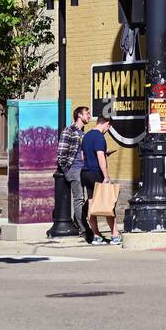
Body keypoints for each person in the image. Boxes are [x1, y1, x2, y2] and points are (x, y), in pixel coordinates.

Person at [81, 113, 120, 245]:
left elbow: (83, 156)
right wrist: (106, 176)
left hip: (85, 173)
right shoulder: (99, 138)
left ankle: (96, 236)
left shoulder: (86, 136)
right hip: (96, 173)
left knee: (91, 205)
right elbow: (100, 157)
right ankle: (115, 235)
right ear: (106, 123)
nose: (108, 130)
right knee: (109, 204)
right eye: (109, 127)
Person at [56, 105, 91, 237]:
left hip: (84, 169)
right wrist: (67, 169)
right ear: (79, 116)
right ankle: (83, 229)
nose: (89, 116)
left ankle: (79, 221)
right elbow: (61, 153)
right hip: (74, 169)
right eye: (87, 113)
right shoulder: (69, 131)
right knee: (79, 198)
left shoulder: (84, 133)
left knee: (91, 196)